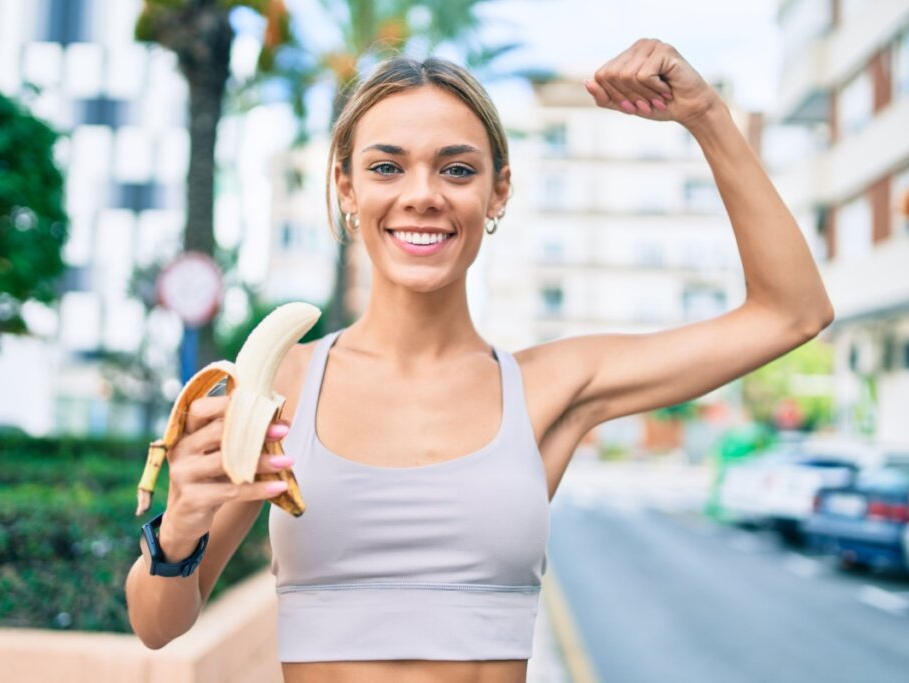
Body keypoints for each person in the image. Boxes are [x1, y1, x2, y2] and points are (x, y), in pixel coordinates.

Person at [125, 38, 833, 683]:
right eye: (386, 166)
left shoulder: (553, 387)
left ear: (498, 191)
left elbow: (792, 313)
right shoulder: (279, 384)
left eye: (457, 168)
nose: (423, 194)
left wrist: (706, 114)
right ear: (347, 189)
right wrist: (181, 524)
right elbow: (159, 625)